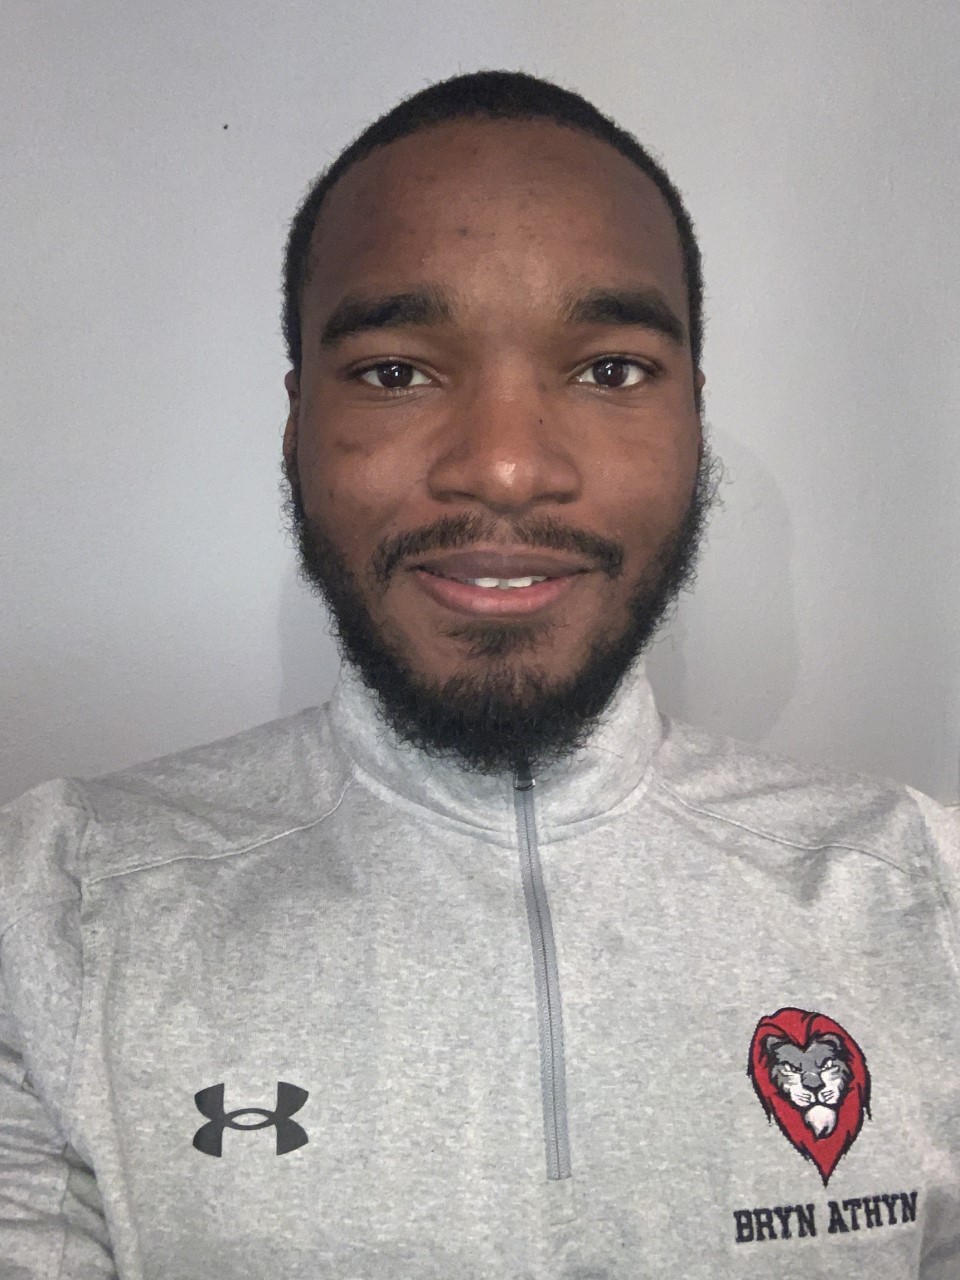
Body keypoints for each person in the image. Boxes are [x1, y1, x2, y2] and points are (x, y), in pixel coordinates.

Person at [0, 68, 957, 1280]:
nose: (505, 468)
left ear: (693, 421)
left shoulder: (925, 896)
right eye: (397, 371)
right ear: (296, 423)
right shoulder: (59, 910)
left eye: (611, 369)